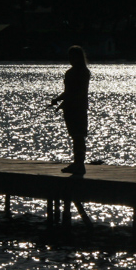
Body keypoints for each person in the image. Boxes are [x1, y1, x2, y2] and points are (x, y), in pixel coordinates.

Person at [51, 45, 91, 175]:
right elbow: (72, 92)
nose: (70, 59)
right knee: (78, 137)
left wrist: (60, 100)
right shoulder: (84, 72)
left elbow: (71, 92)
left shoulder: (74, 73)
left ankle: (79, 164)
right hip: (78, 107)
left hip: (74, 108)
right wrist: (59, 100)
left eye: (72, 57)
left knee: (77, 136)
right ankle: (79, 163)